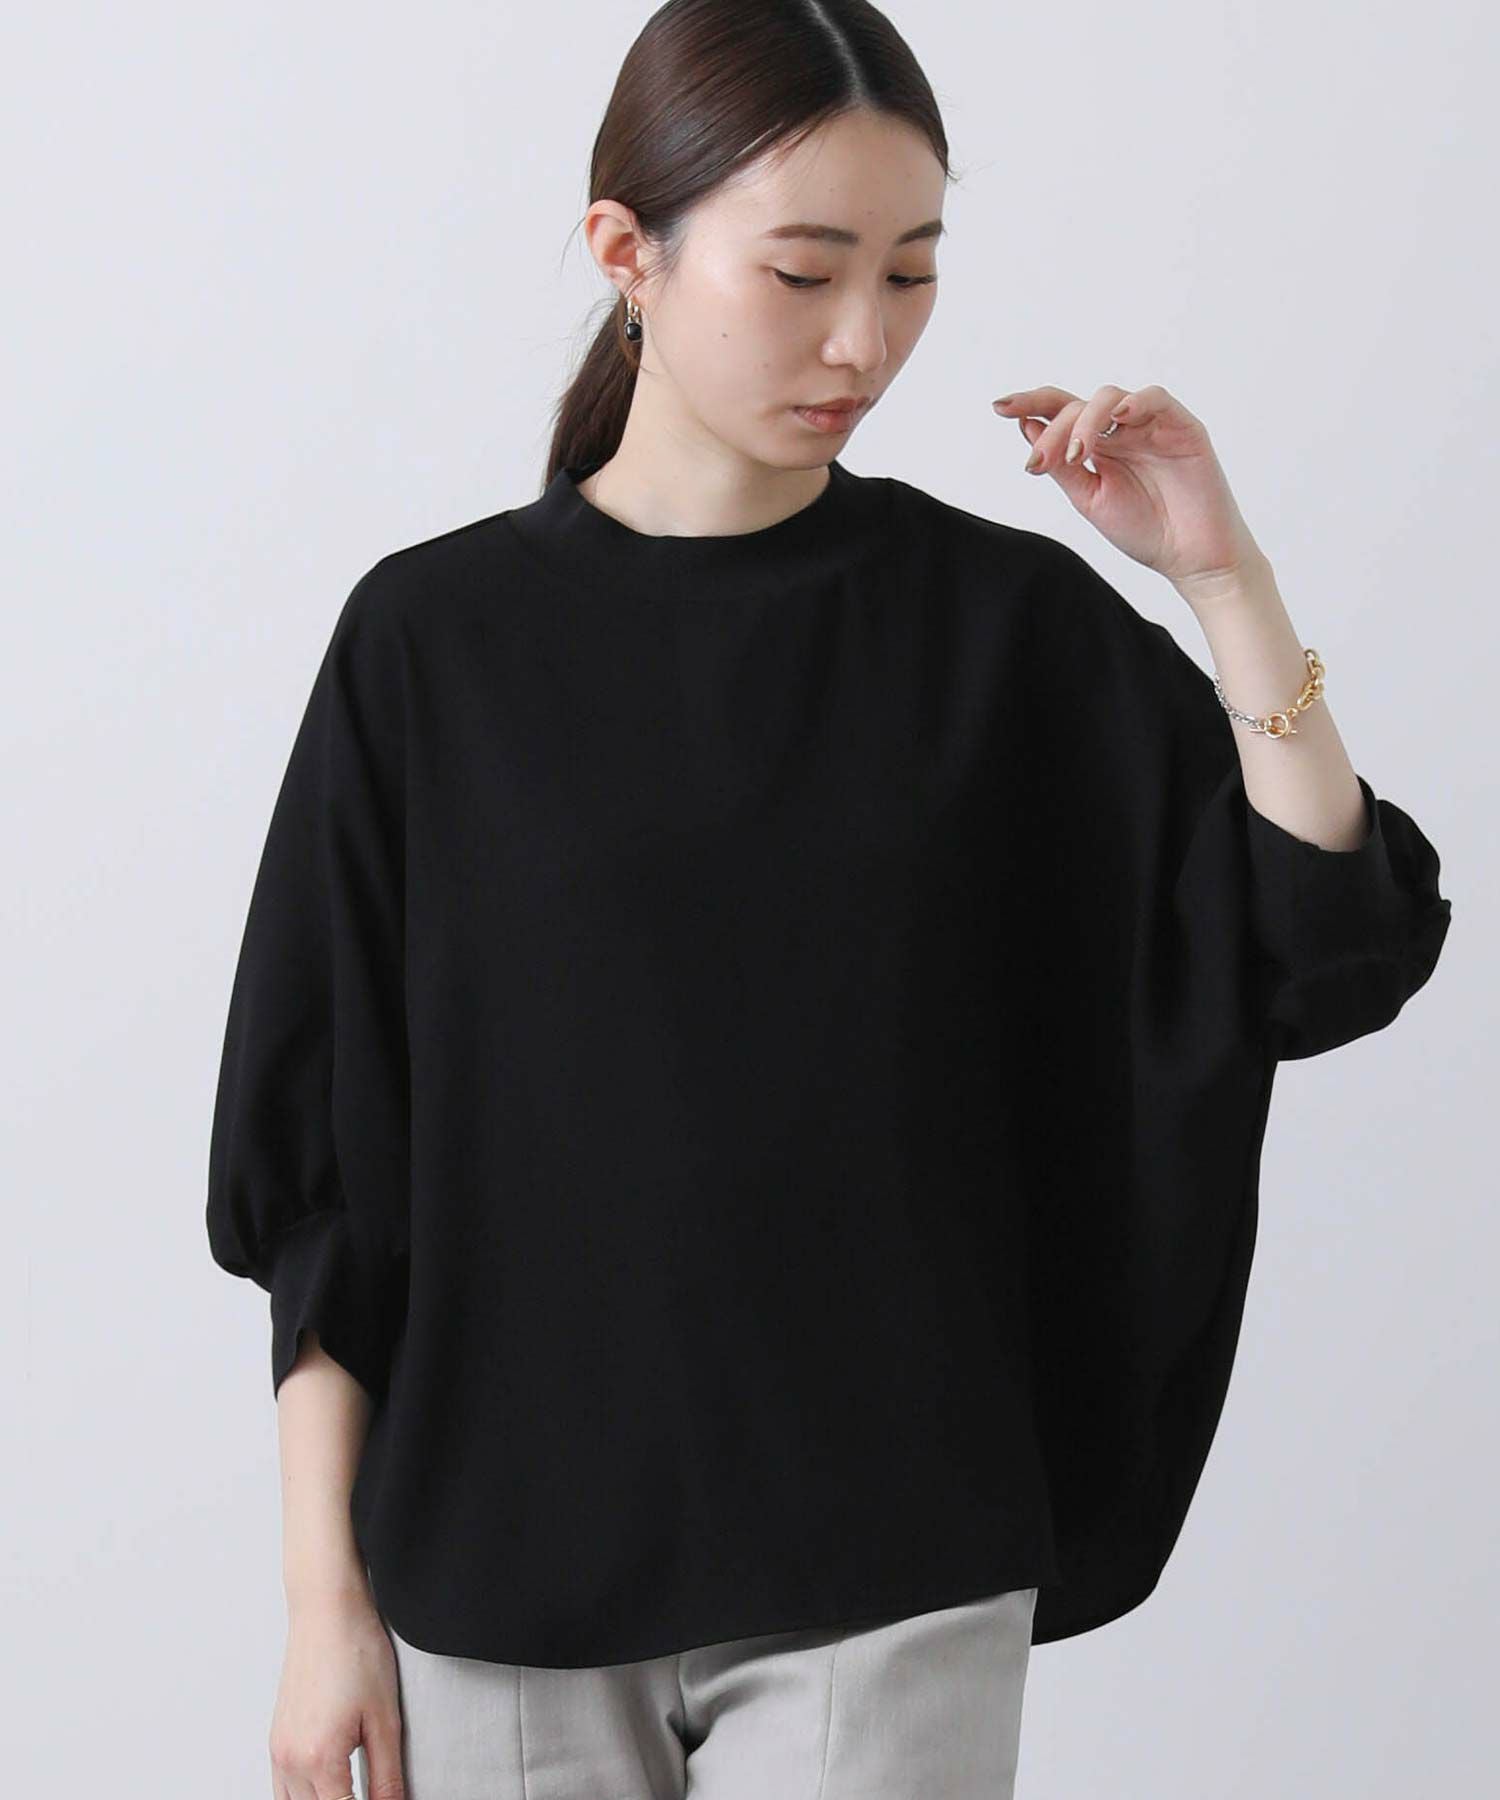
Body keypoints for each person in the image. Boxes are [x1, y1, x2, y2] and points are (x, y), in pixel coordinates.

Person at [204, 3, 1453, 1796]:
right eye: (803, 274)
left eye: (910, 272)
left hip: (893, 1563)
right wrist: (323, 1604)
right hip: (499, 1578)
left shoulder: (1001, 634)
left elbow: (1328, 945)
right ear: (626, 252)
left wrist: (1224, 578)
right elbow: (325, 1177)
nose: (865, 340)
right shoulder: (432, 646)